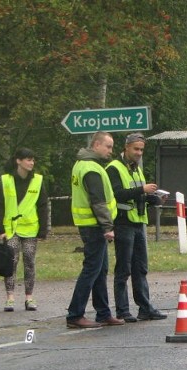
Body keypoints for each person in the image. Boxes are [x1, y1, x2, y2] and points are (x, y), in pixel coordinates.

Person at [105, 132, 168, 322]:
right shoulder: (113, 168)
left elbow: (138, 195)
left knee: (140, 268)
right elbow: (117, 194)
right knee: (124, 268)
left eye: (141, 149)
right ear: (126, 148)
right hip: (123, 223)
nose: (139, 153)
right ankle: (122, 310)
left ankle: (145, 308)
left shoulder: (136, 168)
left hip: (139, 221)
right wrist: (142, 189)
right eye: (136, 149)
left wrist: (154, 199)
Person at [66, 131, 125, 328]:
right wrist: (108, 226)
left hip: (91, 224)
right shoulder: (91, 168)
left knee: (100, 270)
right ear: (96, 145)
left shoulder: (81, 164)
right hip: (94, 225)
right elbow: (98, 201)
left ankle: (103, 312)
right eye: (108, 146)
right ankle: (75, 314)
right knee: (91, 269)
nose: (111, 150)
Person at [0, 148, 49, 312]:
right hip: (11, 229)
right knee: (11, 262)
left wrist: (43, 229)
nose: (31, 163)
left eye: (33, 160)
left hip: (30, 228)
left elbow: (43, 206)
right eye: (28, 159)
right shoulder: (6, 180)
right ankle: (10, 298)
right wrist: (0, 229)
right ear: (18, 161)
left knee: (29, 262)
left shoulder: (38, 180)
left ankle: (29, 298)